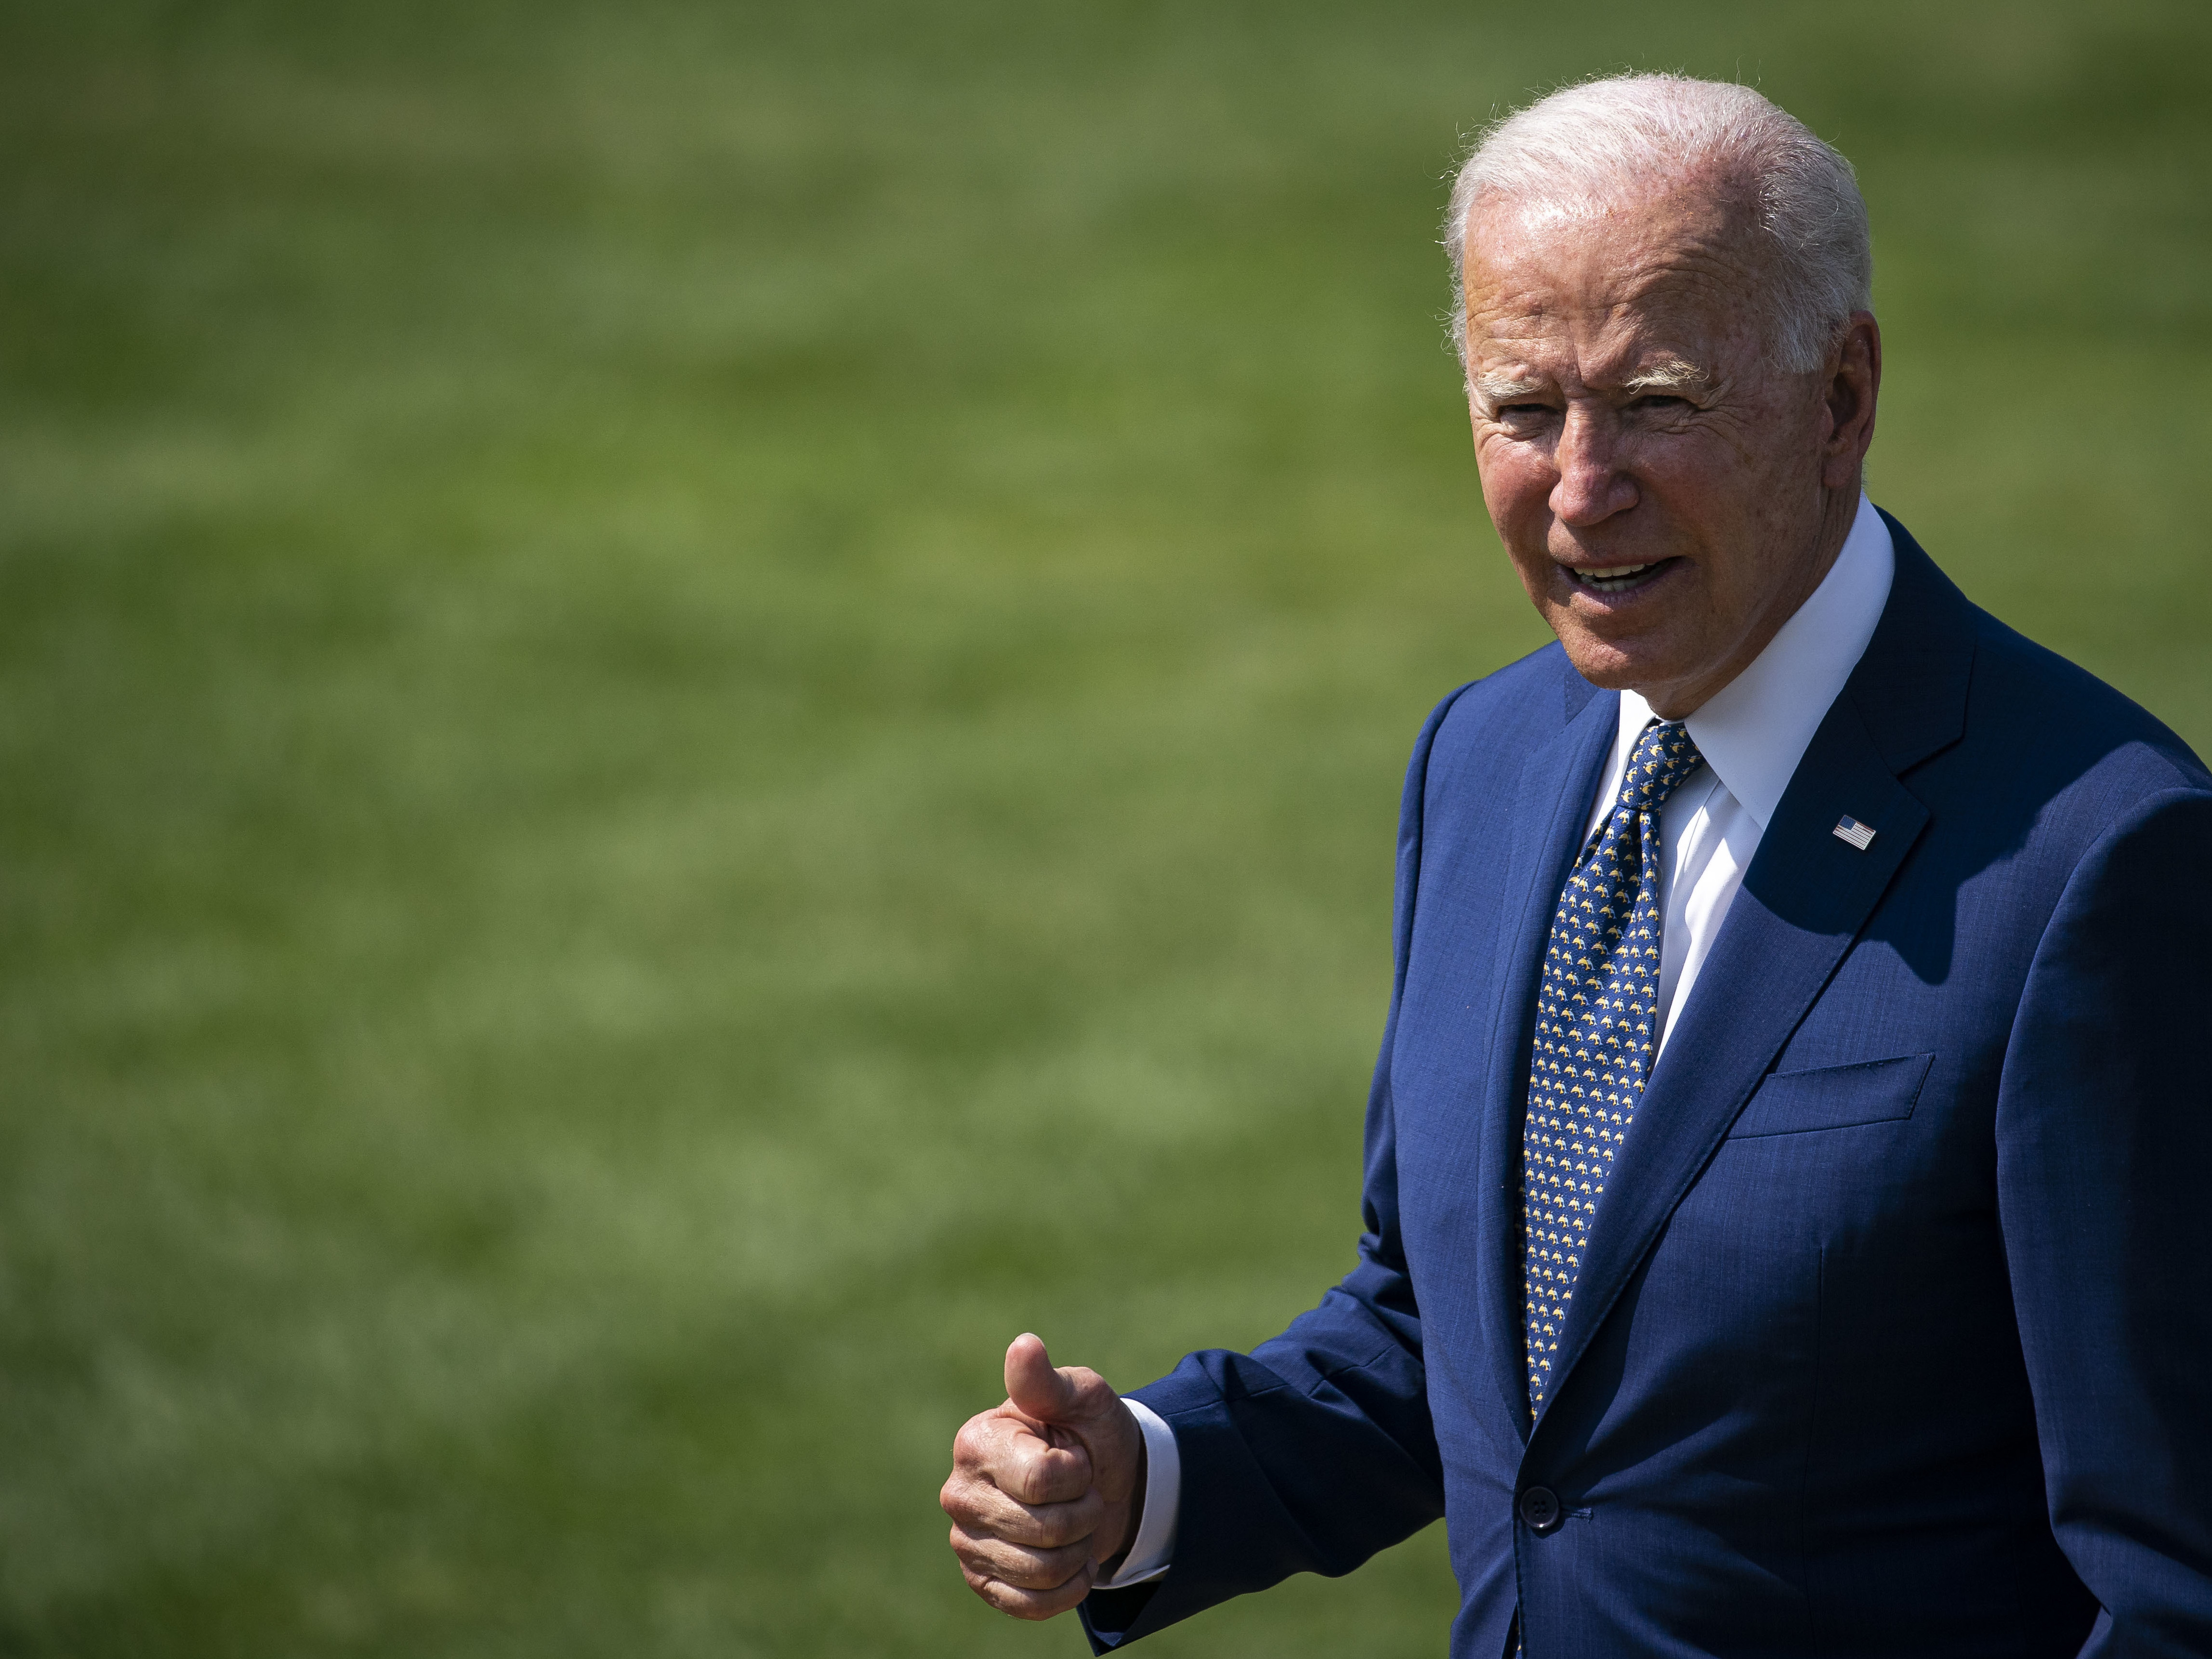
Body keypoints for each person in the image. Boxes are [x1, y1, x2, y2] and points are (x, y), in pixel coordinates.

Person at [938, 74, 2212, 1656]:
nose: (1583, 488)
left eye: (1661, 400)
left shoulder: (2100, 855)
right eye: (1526, 408)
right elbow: (1462, 1336)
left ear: (1843, 396)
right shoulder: (1483, 760)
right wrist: (1149, 1480)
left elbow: (2177, 1578)